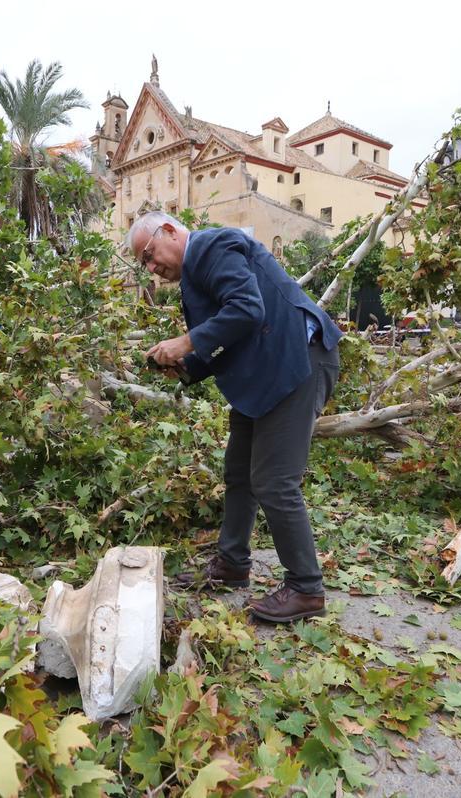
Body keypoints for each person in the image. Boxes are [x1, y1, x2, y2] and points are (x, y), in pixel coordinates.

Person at [128, 211, 341, 624]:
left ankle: (305, 588)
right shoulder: (196, 277)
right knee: (239, 472)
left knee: (274, 481)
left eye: (150, 255)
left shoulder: (212, 246)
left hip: (298, 362)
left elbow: (247, 309)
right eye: (145, 265)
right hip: (267, 372)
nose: (152, 269)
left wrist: (186, 341)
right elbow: (232, 337)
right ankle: (232, 565)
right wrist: (188, 365)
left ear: (169, 231)